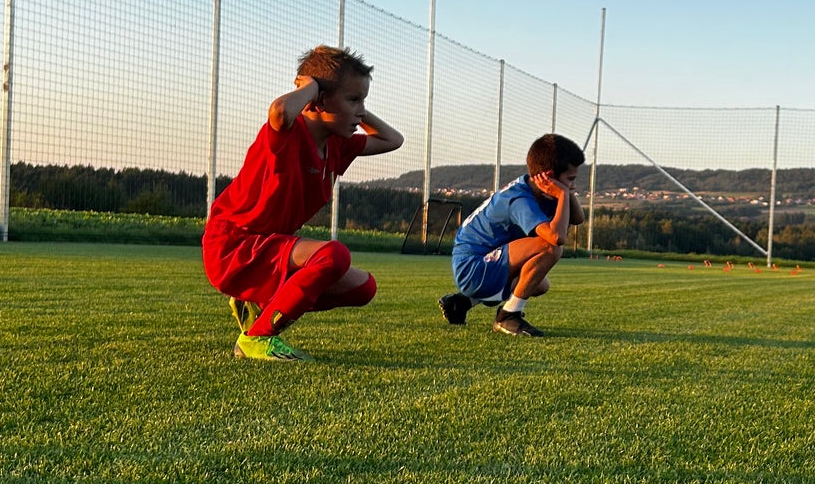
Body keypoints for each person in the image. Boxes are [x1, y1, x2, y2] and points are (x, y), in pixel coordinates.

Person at [203, 45, 404, 360]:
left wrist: (355, 104)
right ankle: (257, 339)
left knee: (364, 287)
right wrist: (312, 86)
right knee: (333, 255)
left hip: (271, 247)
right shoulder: (289, 133)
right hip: (234, 246)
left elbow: (393, 140)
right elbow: (280, 112)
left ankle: (254, 302)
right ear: (318, 100)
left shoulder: (339, 145)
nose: (361, 111)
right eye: (353, 100)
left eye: (362, 100)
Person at [440, 133, 586, 336]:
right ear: (550, 177)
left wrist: (566, 191)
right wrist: (562, 193)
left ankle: (461, 303)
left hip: (481, 264)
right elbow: (556, 238)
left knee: (539, 284)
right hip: (472, 268)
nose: (573, 185)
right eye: (571, 179)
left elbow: (578, 219)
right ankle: (508, 316)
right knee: (550, 247)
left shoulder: (534, 188)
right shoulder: (519, 199)